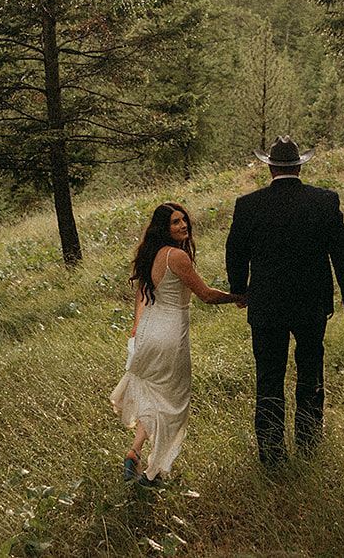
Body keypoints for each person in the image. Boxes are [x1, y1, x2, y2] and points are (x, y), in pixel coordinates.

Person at [225, 136, 344, 468]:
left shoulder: (248, 205)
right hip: (311, 303)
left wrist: (240, 290)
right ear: (299, 166)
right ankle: (308, 444)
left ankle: (272, 455)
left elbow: (235, 252)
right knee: (310, 371)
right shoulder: (323, 201)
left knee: (269, 377)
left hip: (267, 305)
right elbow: (343, 252)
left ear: (270, 167)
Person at [111, 202, 242, 484]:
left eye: (184, 220)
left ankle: (135, 452)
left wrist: (136, 329)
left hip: (148, 331)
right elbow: (206, 295)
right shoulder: (176, 256)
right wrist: (239, 297)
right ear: (164, 228)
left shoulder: (150, 254)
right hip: (170, 335)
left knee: (156, 396)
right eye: (175, 222)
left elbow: (141, 295)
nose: (183, 225)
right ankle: (153, 471)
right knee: (174, 405)